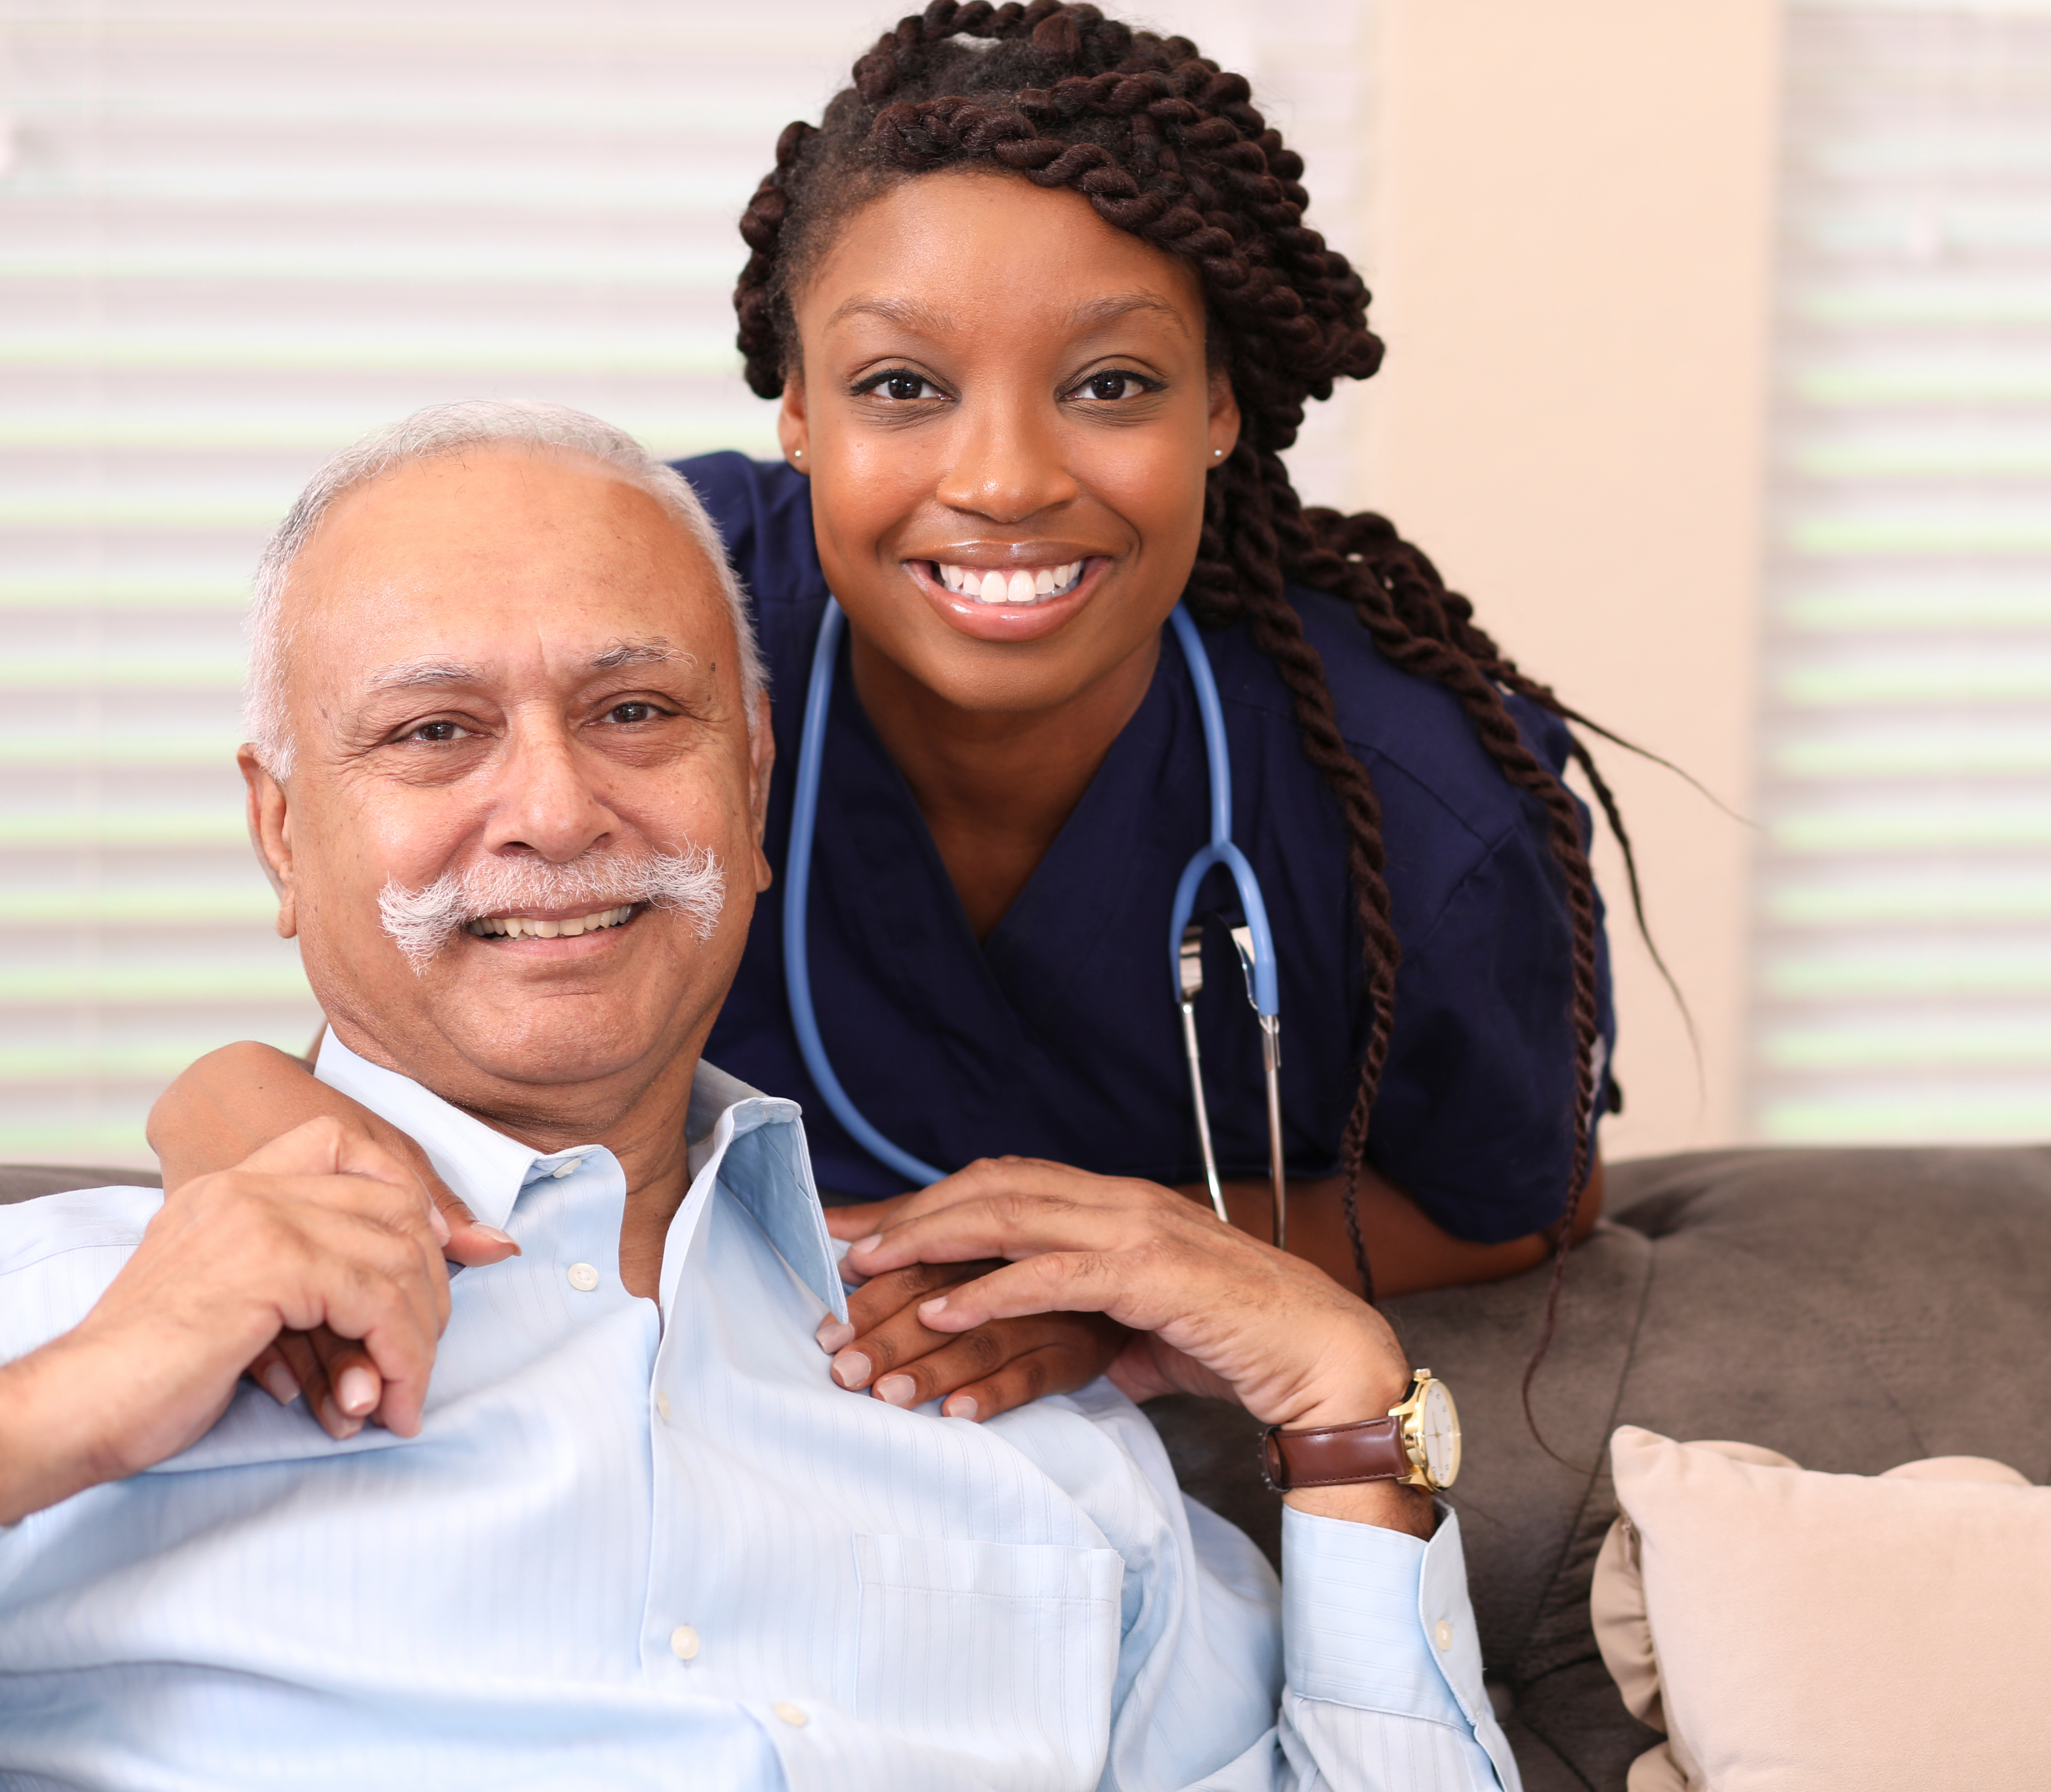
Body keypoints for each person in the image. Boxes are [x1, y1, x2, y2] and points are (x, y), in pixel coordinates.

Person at [147, 1, 1634, 1427]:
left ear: (1221, 406)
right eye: (902, 384)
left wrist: (1140, 1267)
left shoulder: (1409, 791)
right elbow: (409, 969)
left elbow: (1520, 1197)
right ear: (796, 407)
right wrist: (222, 1104)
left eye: (1110, 383)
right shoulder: (658, 631)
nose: (1002, 479)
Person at [0, 401, 1513, 1791]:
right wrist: (66, 1408)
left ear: (754, 782)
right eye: (434, 730)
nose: (551, 809)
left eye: (635, 712)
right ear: (280, 831)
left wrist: (1344, 1410)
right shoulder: (61, 1327)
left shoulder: (1006, 1406)